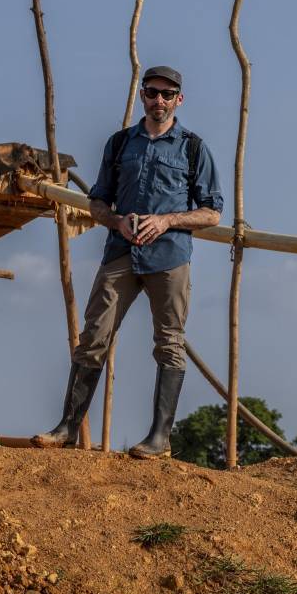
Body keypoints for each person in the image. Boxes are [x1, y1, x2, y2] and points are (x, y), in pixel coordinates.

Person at [32, 66, 223, 457]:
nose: (159, 101)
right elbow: (97, 200)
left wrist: (167, 219)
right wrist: (116, 220)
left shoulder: (192, 147)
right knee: (93, 338)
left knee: (169, 343)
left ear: (179, 100)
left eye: (167, 95)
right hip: (121, 252)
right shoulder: (120, 144)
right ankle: (66, 428)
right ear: (142, 95)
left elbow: (212, 212)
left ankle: (159, 439)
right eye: (152, 93)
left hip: (169, 257)